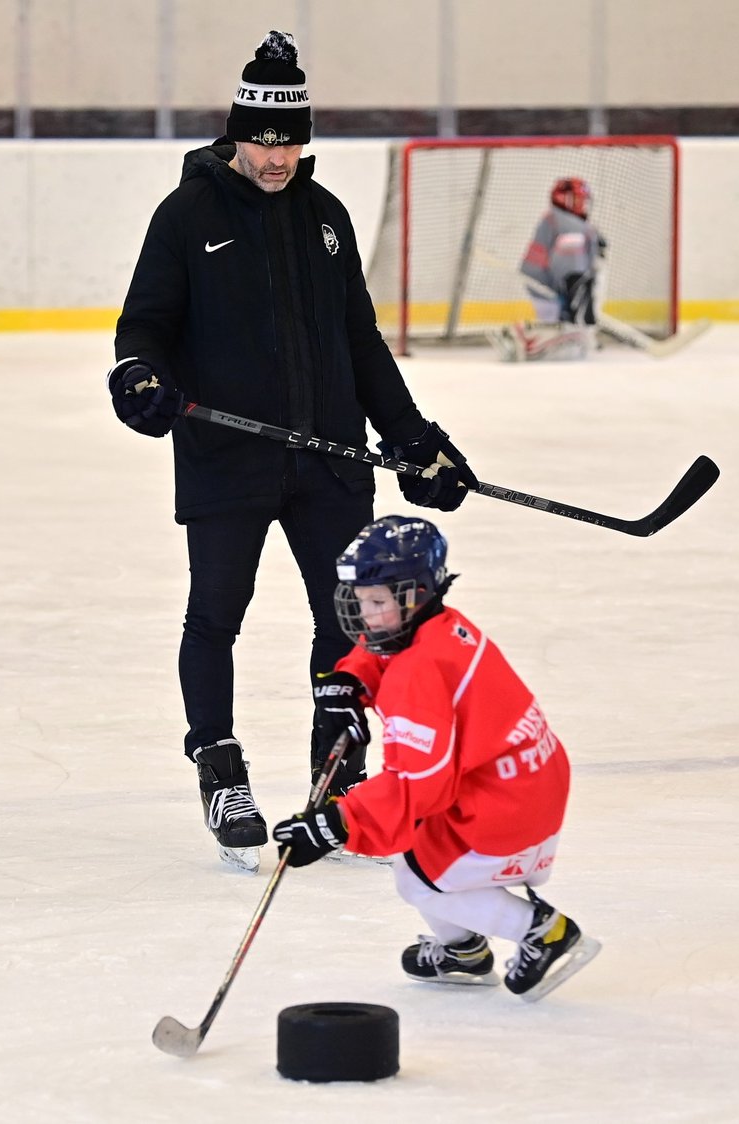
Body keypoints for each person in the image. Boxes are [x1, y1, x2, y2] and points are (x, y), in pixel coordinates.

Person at [107, 31, 478, 873]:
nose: (278, 157)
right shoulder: (187, 216)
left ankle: (336, 769)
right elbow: (146, 327)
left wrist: (412, 438)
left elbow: (361, 342)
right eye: (265, 139)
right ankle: (219, 763)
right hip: (227, 457)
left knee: (348, 623)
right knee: (217, 612)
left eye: (291, 140)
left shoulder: (327, 219)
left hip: (330, 461)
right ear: (237, 132)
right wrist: (138, 377)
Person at [272, 515, 601, 1001]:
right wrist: (354, 679)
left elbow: (417, 788)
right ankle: (463, 951)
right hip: (520, 777)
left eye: (377, 602)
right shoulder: (440, 627)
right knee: (418, 857)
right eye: (361, 600)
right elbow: (383, 649)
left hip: (506, 802)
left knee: (418, 880)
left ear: (415, 594)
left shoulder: (416, 674)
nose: (365, 615)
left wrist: (336, 823)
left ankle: (545, 932)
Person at [486, 177, 606, 362]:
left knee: (572, 335)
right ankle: (519, 338)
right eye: (579, 201)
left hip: (541, 284)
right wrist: (575, 301)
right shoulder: (569, 225)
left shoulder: (557, 219)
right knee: (571, 335)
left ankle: (523, 337)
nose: (583, 206)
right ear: (566, 200)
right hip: (549, 290)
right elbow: (571, 269)